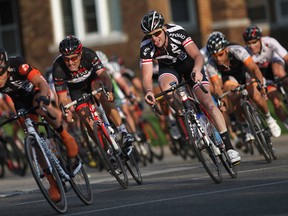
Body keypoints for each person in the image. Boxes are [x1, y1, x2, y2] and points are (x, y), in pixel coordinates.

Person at [139, 10, 241, 164]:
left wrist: (197, 70)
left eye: (157, 33)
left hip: (190, 66)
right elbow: (146, 76)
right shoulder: (146, 46)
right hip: (169, 70)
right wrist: (147, 91)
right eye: (150, 35)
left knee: (208, 103)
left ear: (164, 29)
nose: (154, 38)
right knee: (166, 90)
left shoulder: (177, 32)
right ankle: (188, 118)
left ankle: (229, 147)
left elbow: (198, 56)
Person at [0, 47, 78, 202]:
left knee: (41, 109)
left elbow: (41, 83)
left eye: (1, 75)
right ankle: (52, 183)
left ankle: (65, 135)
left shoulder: (18, 65)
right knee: (33, 139)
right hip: (19, 102)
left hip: (35, 90)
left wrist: (43, 98)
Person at [52, 35, 134, 154]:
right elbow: (62, 98)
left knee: (102, 94)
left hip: (92, 81)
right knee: (87, 122)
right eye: (66, 59)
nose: (70, 62)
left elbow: (104, 76)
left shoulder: (89, 55)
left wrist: (109, 90)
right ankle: (105, 151)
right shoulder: (58, 67)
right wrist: (66, 111)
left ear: (80, 54)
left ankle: (123, 131)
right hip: (76, 90)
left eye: (74, 58)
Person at [205, 32, 281, 145]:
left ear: (226, 49)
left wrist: (261, 85)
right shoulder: (211, 63)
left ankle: (269, 119)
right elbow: (216, 86)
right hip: (230, 78)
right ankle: (246, 127)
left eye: (220, 54)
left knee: (255, 95)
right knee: (233, 97)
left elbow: (254, 69)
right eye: (214, 56)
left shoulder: (237, 51)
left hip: (245, 72)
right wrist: (222, 101)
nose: (218, 59)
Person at [243, 24, 288, 129]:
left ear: (260, 39)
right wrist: (262, 88)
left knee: (279, 73)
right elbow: (253, 75)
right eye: (248, 43)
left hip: (274, 62)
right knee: (276, 102)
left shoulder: (269, 42)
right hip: (262, 74)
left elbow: (286, 57)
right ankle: (286, 121)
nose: (252, 46)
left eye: (254, 42)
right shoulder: (245, 53)